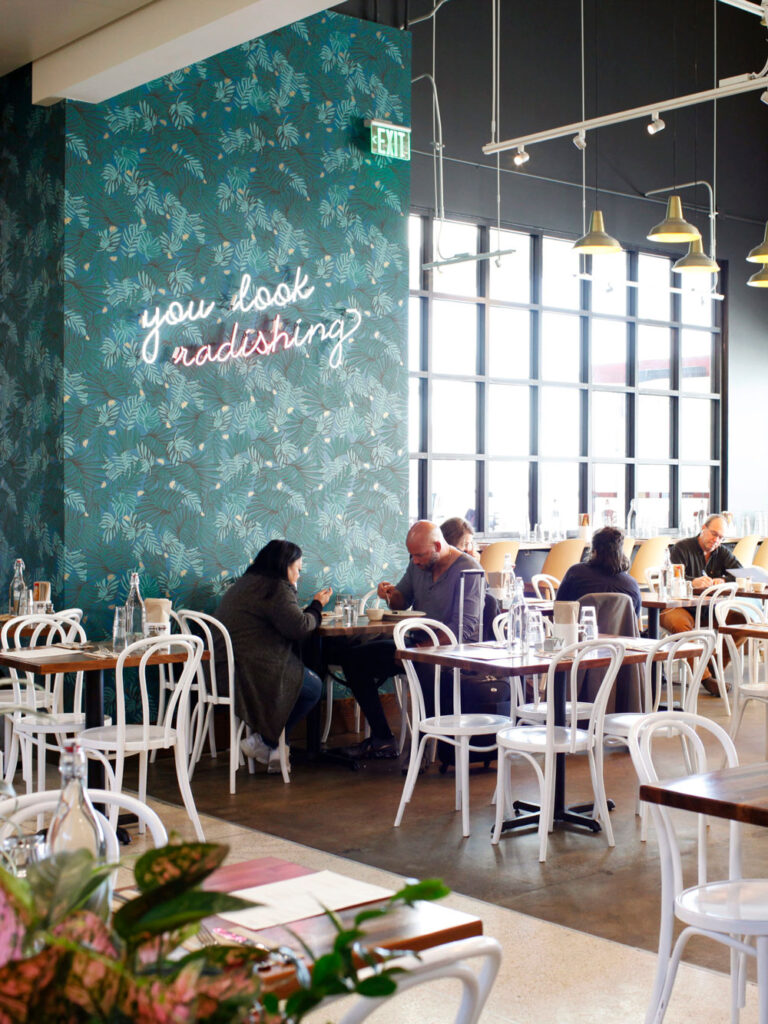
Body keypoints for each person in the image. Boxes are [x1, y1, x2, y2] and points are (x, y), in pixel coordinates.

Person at [337, 520, 483, 759]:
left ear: (437, 545)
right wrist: (389, 594)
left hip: (450, 651)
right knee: (354, 659)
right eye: (412, 555)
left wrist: (416, 653)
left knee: (423, 668)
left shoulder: (469, 569)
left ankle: (426, 743)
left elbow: (463, 628)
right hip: (414, 644)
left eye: (419, 555)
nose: (415, 561)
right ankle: (383, 738)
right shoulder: (418, 565)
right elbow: (402, 602)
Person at [214, 540, 332, 772]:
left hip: (222, 668)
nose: (298, 575)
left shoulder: (245, 583)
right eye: (297, 569)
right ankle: (266, 742)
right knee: (312, 687)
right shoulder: (275, 588)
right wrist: (317, 605)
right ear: (285, 566)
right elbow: (298, 627)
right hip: (250, 671)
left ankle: (275, 748)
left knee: (296, 674)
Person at [659, 513, 742, 694]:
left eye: (721, 537)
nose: (716, 540)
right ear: (703, 529)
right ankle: (705, 679)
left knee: (741, 622)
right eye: (713, 534)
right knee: (680, 625)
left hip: (708, 609)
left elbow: (739, 573)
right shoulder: (682, 548)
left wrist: (722, 579)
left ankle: (710, 668)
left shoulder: (721, 552)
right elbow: (670, 577)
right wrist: (692, 582)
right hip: (679, 606)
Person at [556, 526, 642, 617]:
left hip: (582, 630)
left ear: (594, 552)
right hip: (620, 632)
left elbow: (559, 608)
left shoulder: (575, 573)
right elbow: (633, 620)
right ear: (620, 552)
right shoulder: (631, 584)